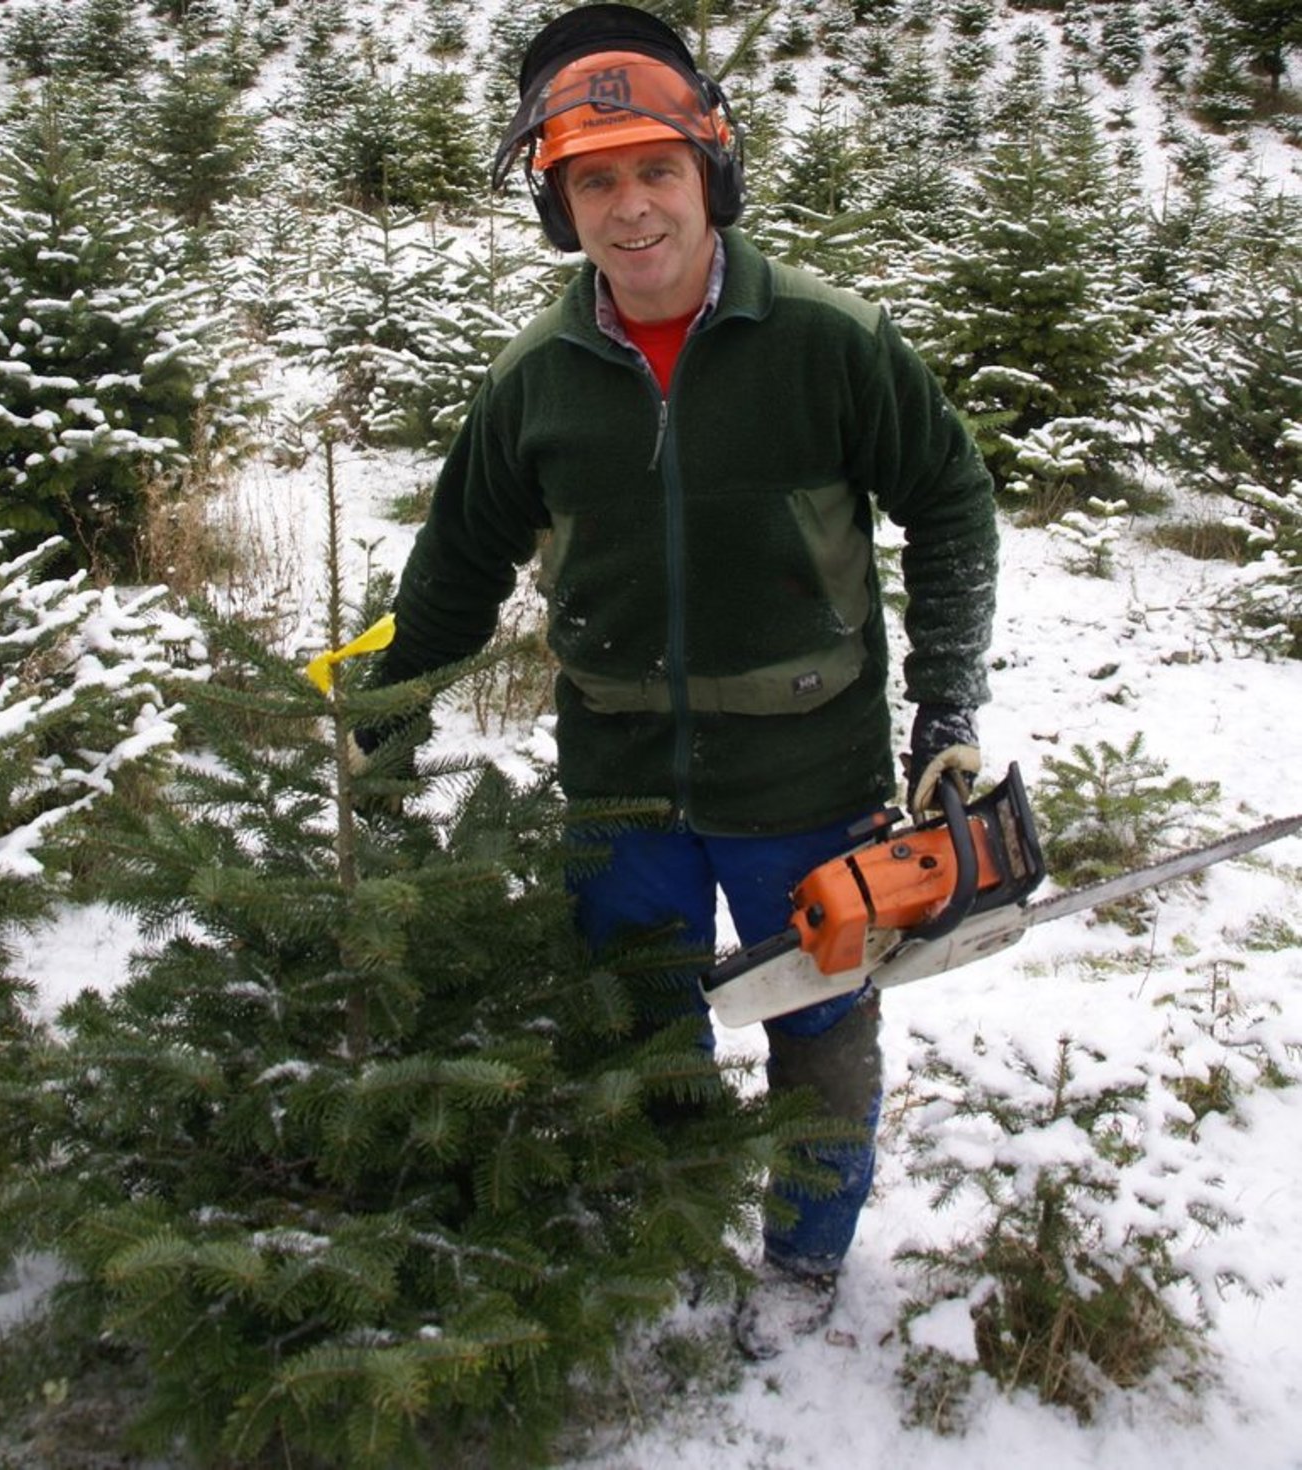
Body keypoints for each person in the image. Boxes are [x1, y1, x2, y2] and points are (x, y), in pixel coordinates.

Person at [358, 3, 997, 1291]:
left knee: (819, 1028)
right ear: (561, 207)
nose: (631, 208)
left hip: (806, 784)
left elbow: (951, 504)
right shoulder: (534, 379)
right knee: (643, 1028)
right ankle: (672, 1235)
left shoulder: (828, 339)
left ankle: (806, 1267)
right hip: (620, 784)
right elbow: (457, 570)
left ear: (710, 177)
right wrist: (380, 726)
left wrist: (946, 712)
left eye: (658, 170)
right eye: (595, 181)